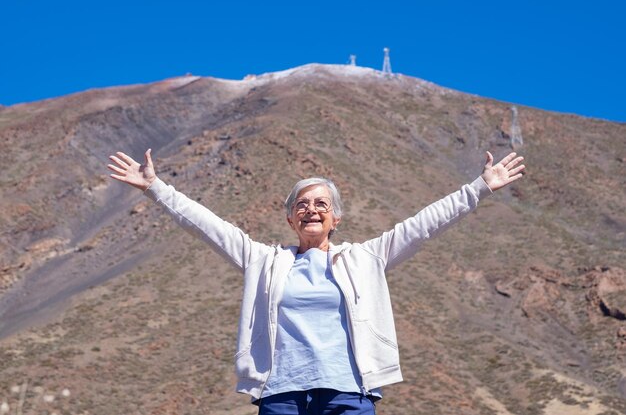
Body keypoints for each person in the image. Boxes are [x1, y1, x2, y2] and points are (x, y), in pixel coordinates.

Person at [107, 148, 525, 415]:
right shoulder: (263, 261)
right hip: (282, 395)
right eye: (302, 205)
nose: (312, 210)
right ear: (290, 218)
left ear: (336, 218)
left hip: (349, 393)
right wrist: (155, 189)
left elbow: (422, 226)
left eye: (321, 204)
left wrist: (480, 187)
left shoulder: (365, 257)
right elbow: (209, 226)